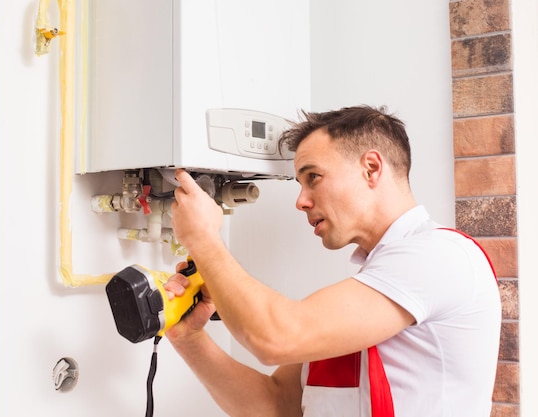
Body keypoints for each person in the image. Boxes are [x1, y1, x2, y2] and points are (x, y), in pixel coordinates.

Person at [165, 105, 501, 417]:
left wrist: (204, 240)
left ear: (371, 168)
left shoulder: (438, 256)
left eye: (313, 177)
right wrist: (191, 339)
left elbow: (276, 337)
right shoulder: (372, 290)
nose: (301, 201)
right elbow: (277, 402)